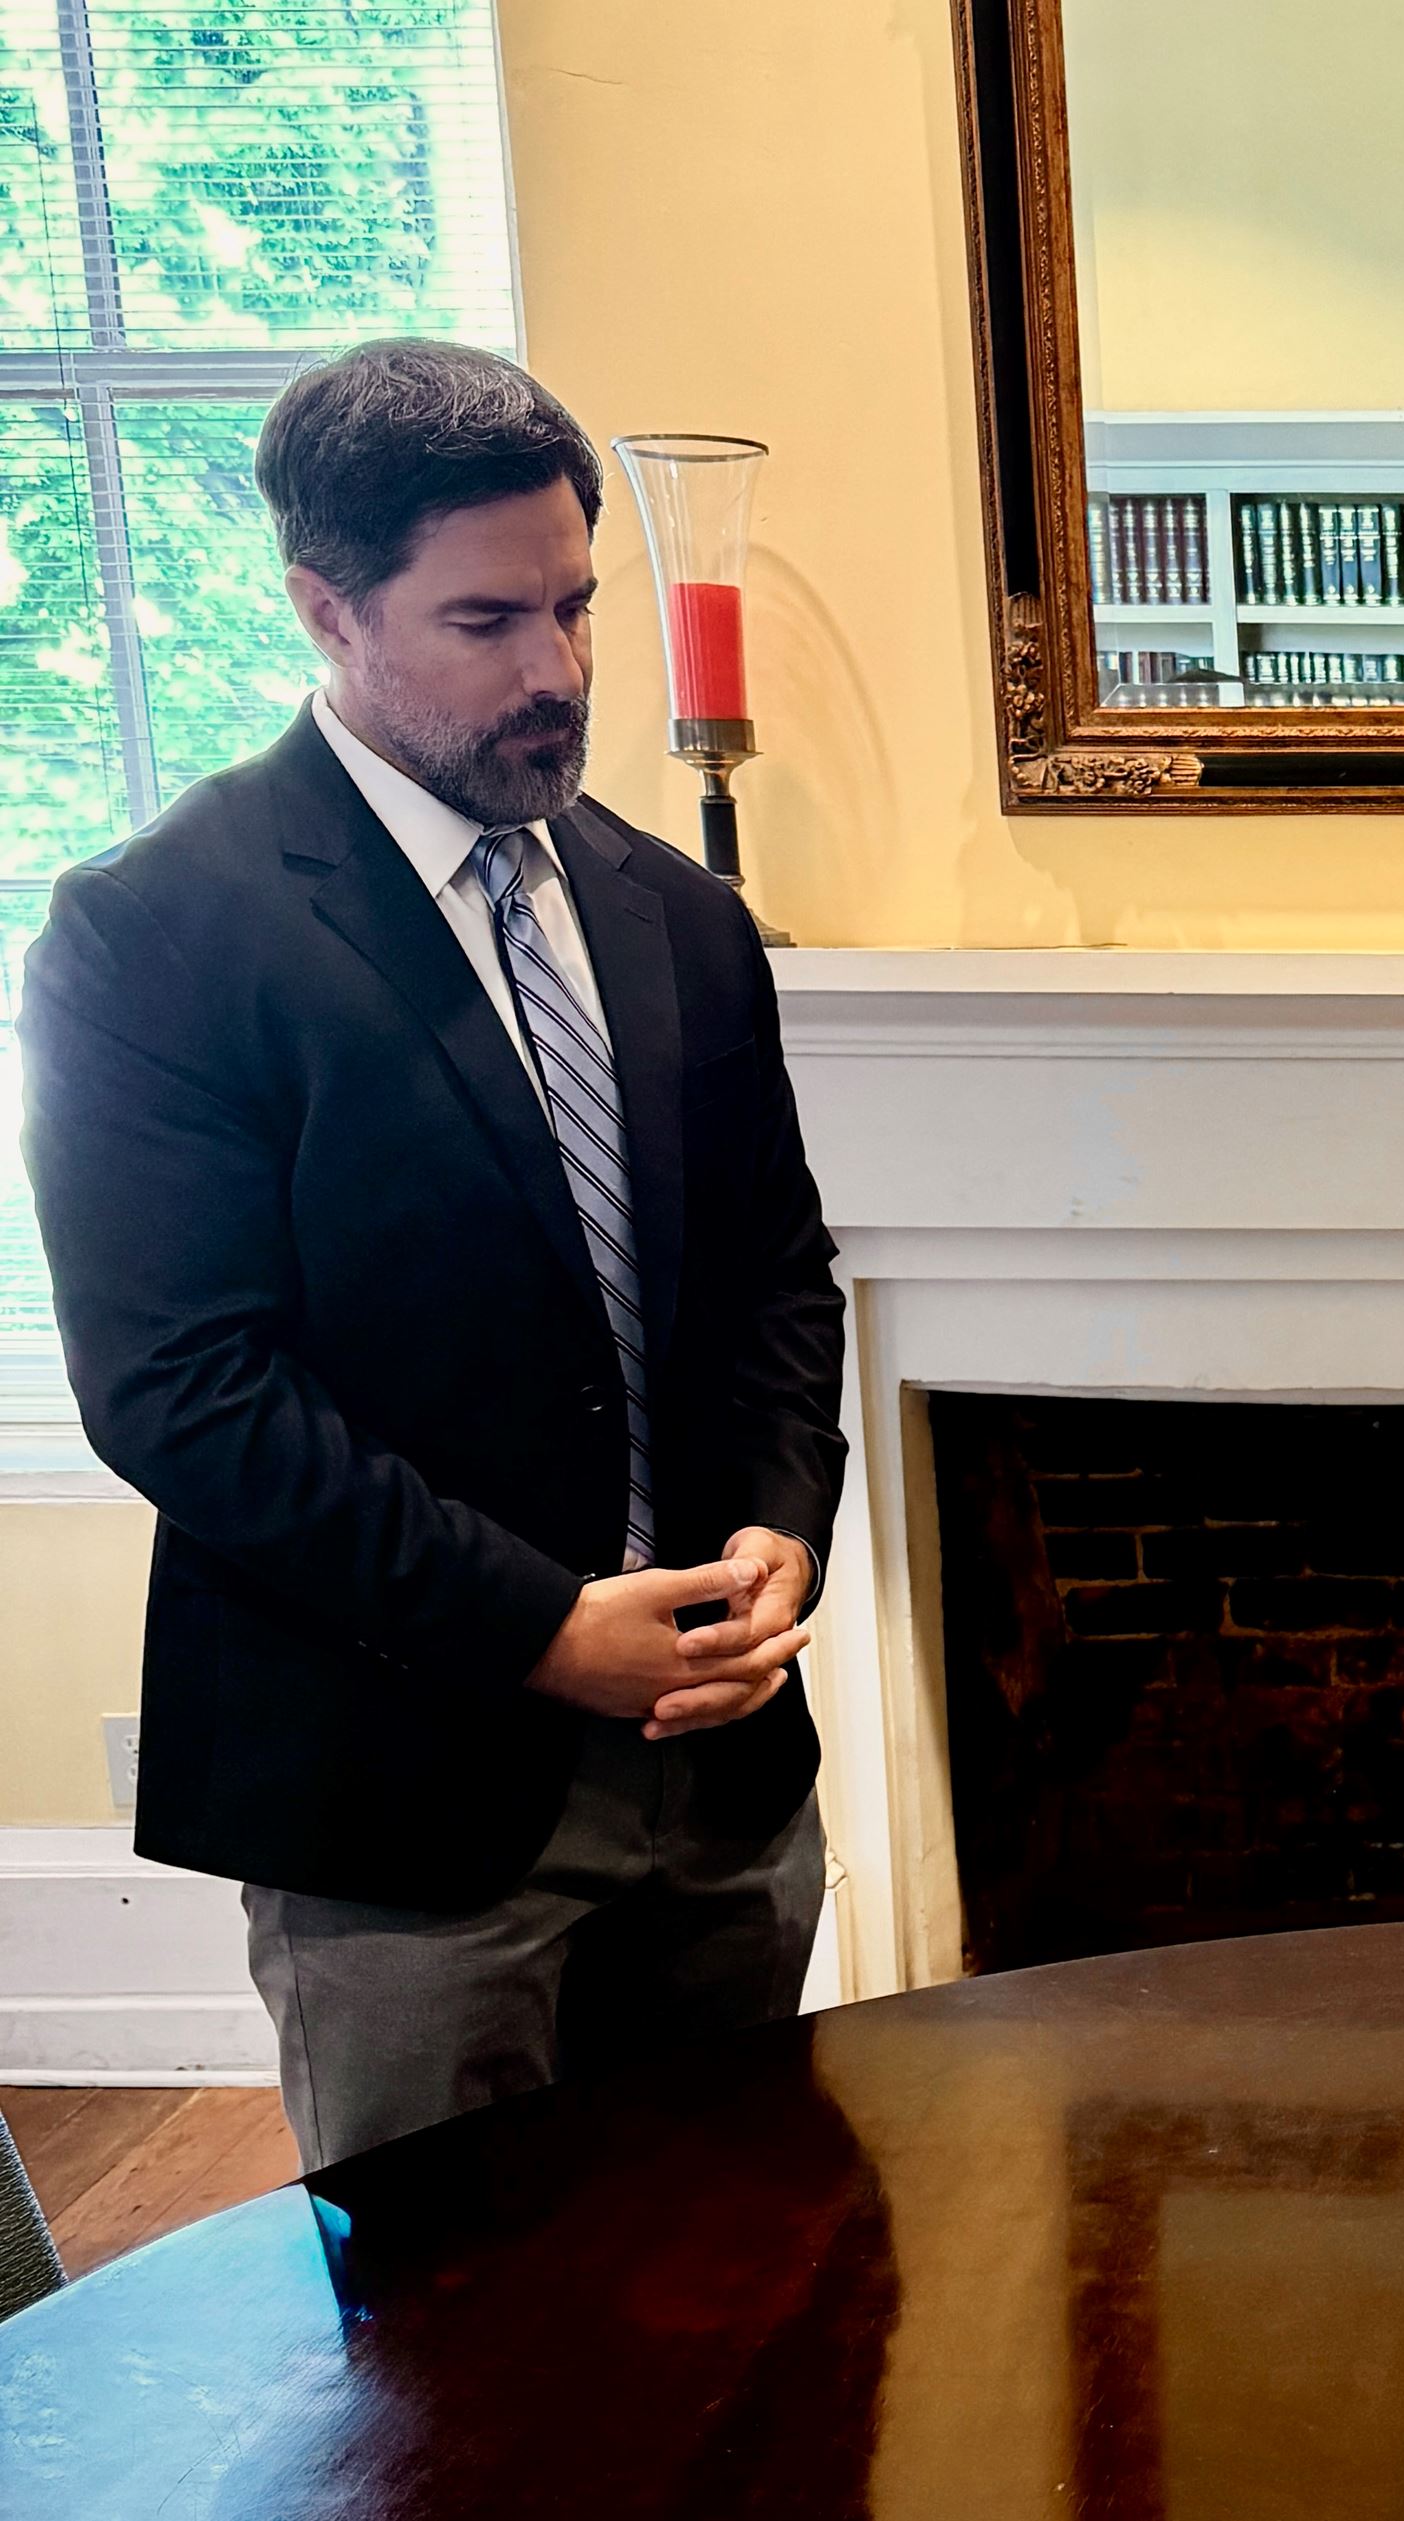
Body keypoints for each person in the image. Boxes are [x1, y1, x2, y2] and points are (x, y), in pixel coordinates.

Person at [20, 339, 848, 2169]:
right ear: (326, 608)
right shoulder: (152, 933)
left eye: (574, 607)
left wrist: (788, 1524)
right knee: (447, 2400)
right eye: (486, 624)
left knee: (748, 2321)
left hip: (720, 1783)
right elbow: (181, 1390)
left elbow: (779, 1273)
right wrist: (545, 1631)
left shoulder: (679, 913)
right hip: (404, 1798)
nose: (556, 674)